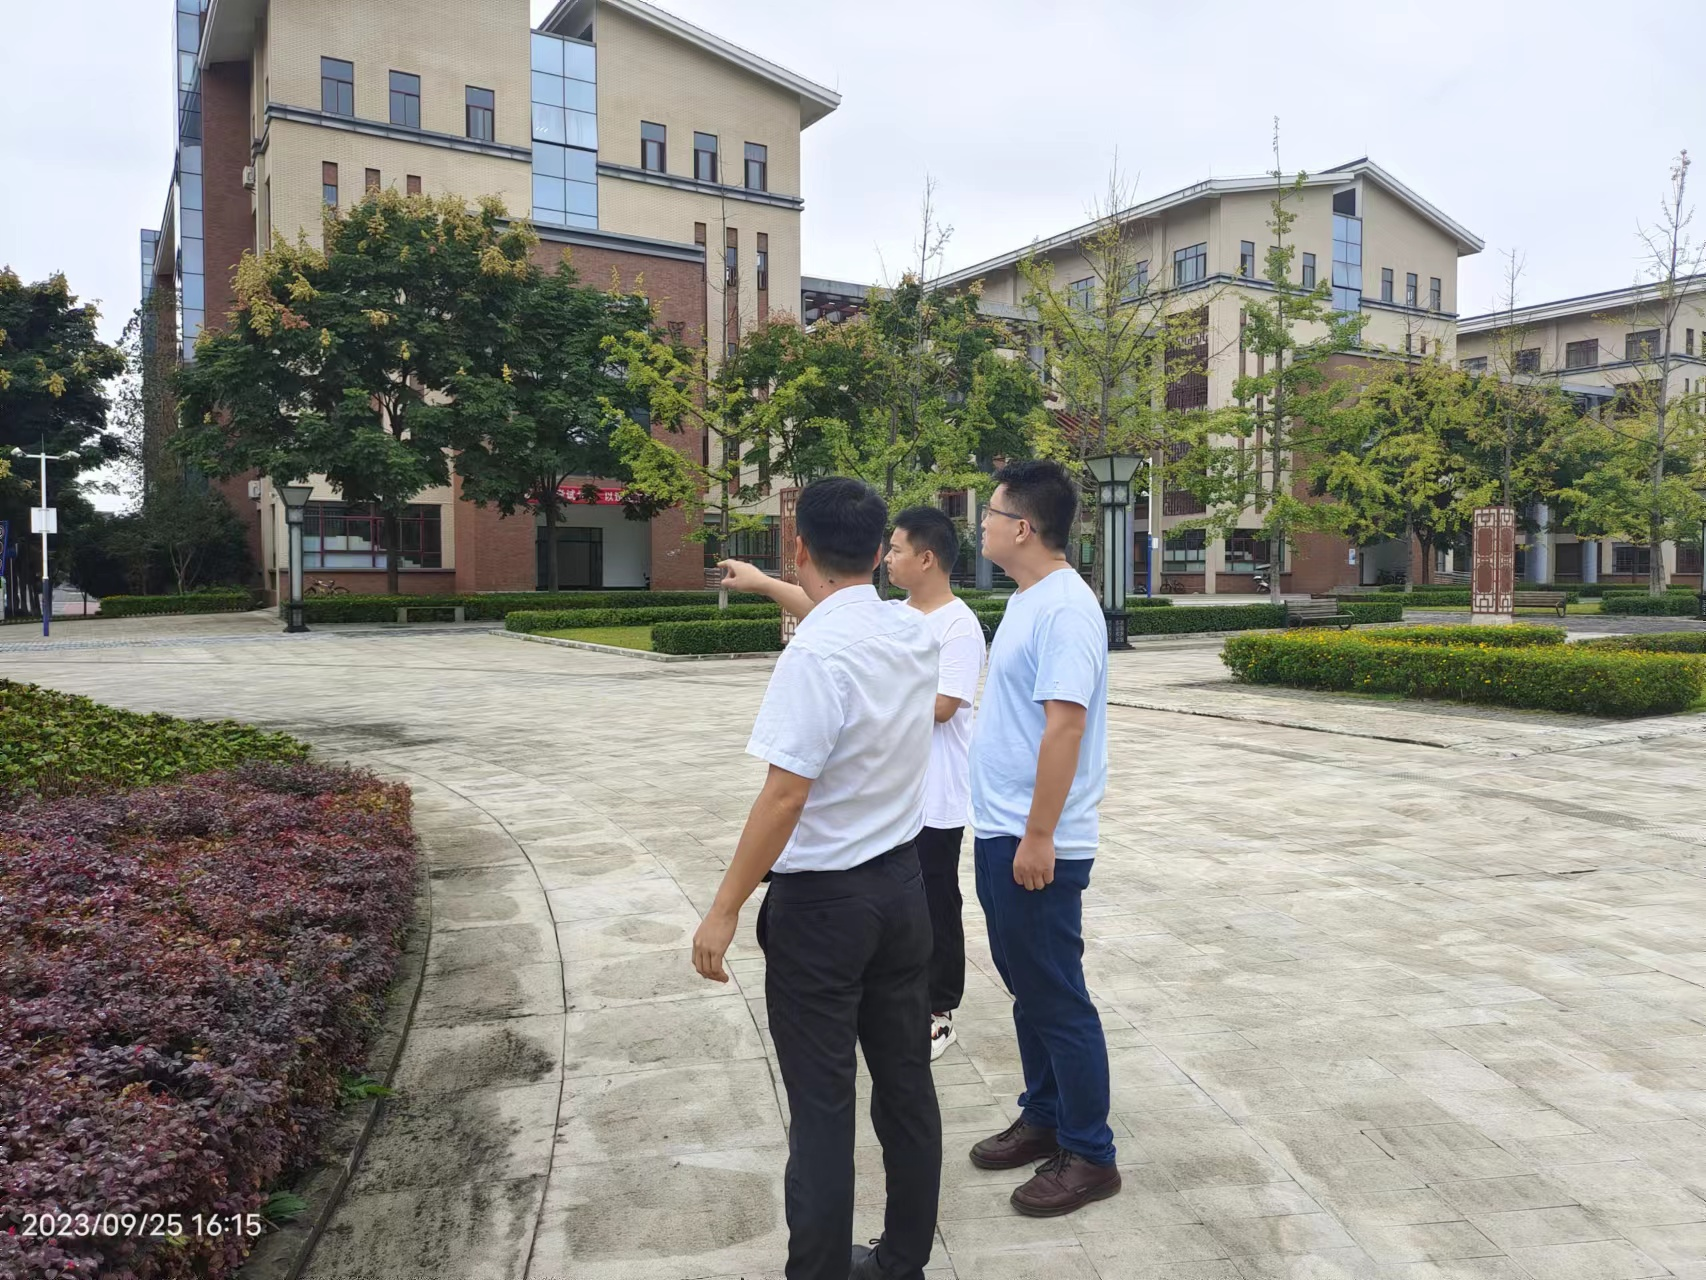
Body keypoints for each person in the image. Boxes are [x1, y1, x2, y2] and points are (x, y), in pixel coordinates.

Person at [693, 477, 941, 1280]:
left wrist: (723, 908)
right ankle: (902, 1261)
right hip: (901, 890)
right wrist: (771, 587)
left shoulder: (814, 657)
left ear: (799, 545)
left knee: (823, 1107)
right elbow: (841, 613)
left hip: (824, 908)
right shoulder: (911, 632)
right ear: (877, 550)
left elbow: (784, 795)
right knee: (905, 1086)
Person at [964, 458, 1120, 1218]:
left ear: (1022, 527)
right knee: (1029, 987)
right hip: (1000, 827)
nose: (981, 525)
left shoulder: (1065, 609)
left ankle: (1090, 1154)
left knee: (1057, 995)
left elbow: (1065, 728)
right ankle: (1046, 1114)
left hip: (1035, 841)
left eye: (990, 514)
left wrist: (1039, 835)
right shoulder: (1028, 599)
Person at [882, 507, 986, 1060]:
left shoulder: (957, 625)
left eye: (897, 549)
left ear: (926, 559)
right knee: (896, 901)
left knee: (936, 901)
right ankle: (899, 997)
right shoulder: (897, 615)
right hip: (895, 790)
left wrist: (878, 700)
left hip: (937, 795)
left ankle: (939, 1009)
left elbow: (945, 706)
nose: (887, 557)